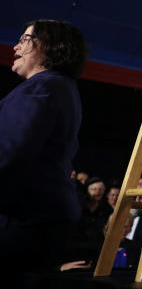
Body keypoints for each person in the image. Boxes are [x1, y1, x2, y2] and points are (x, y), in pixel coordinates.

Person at [0, 20, 87, 273]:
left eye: (25, 39)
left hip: (24, 220)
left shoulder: (41, 87)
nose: (16, 47)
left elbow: (8, 152)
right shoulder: (61, 87)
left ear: (50, 46)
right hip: (44, 218)